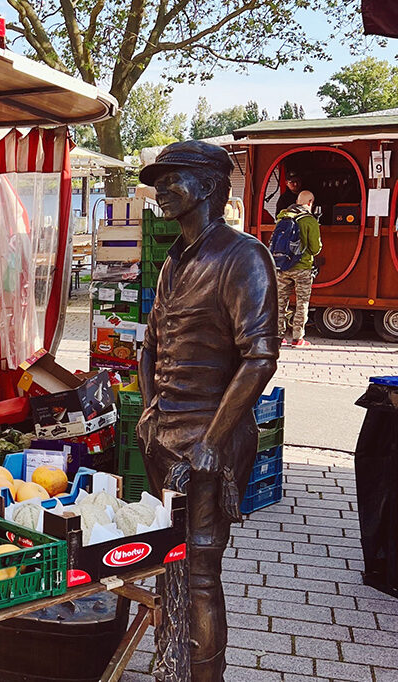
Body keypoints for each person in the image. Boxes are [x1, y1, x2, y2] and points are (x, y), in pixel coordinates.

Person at [136, 141, 279, 681]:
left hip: (207, 441)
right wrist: (149, 409)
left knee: (198, 571)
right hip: (164, 435)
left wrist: (212, 442)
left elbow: (260, 356)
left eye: (173, 178)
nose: (160, 189)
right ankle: (173, 667)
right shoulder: (176, 258)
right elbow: (149, 345)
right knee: (167, 563)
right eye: (158, 179)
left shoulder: (244, 256)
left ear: (210, 187)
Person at [275, 190, 321, 347]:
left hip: (282, 266)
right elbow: (315, 248)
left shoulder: (283, 216)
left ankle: (278, 336)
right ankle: (297, 338)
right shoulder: (310, 221)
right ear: (310, 203)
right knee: (302, 302)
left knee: (280, 302)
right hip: (302, 268)